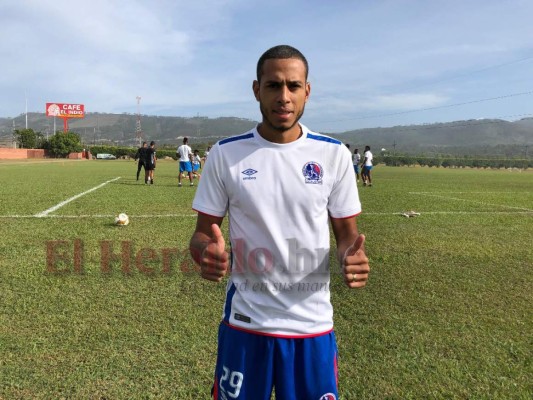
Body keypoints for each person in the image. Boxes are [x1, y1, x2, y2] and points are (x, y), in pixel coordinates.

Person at [189, 45, 370, 400]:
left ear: (307, 90)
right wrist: (204, 253)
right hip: (246, 325)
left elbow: (348, 236)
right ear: (256, 89)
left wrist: (352, 256)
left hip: (312, 326)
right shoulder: (226, 154)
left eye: (293, 86)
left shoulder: (333, 155)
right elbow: (200, 234)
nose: (283, 97)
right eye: (273, 86)